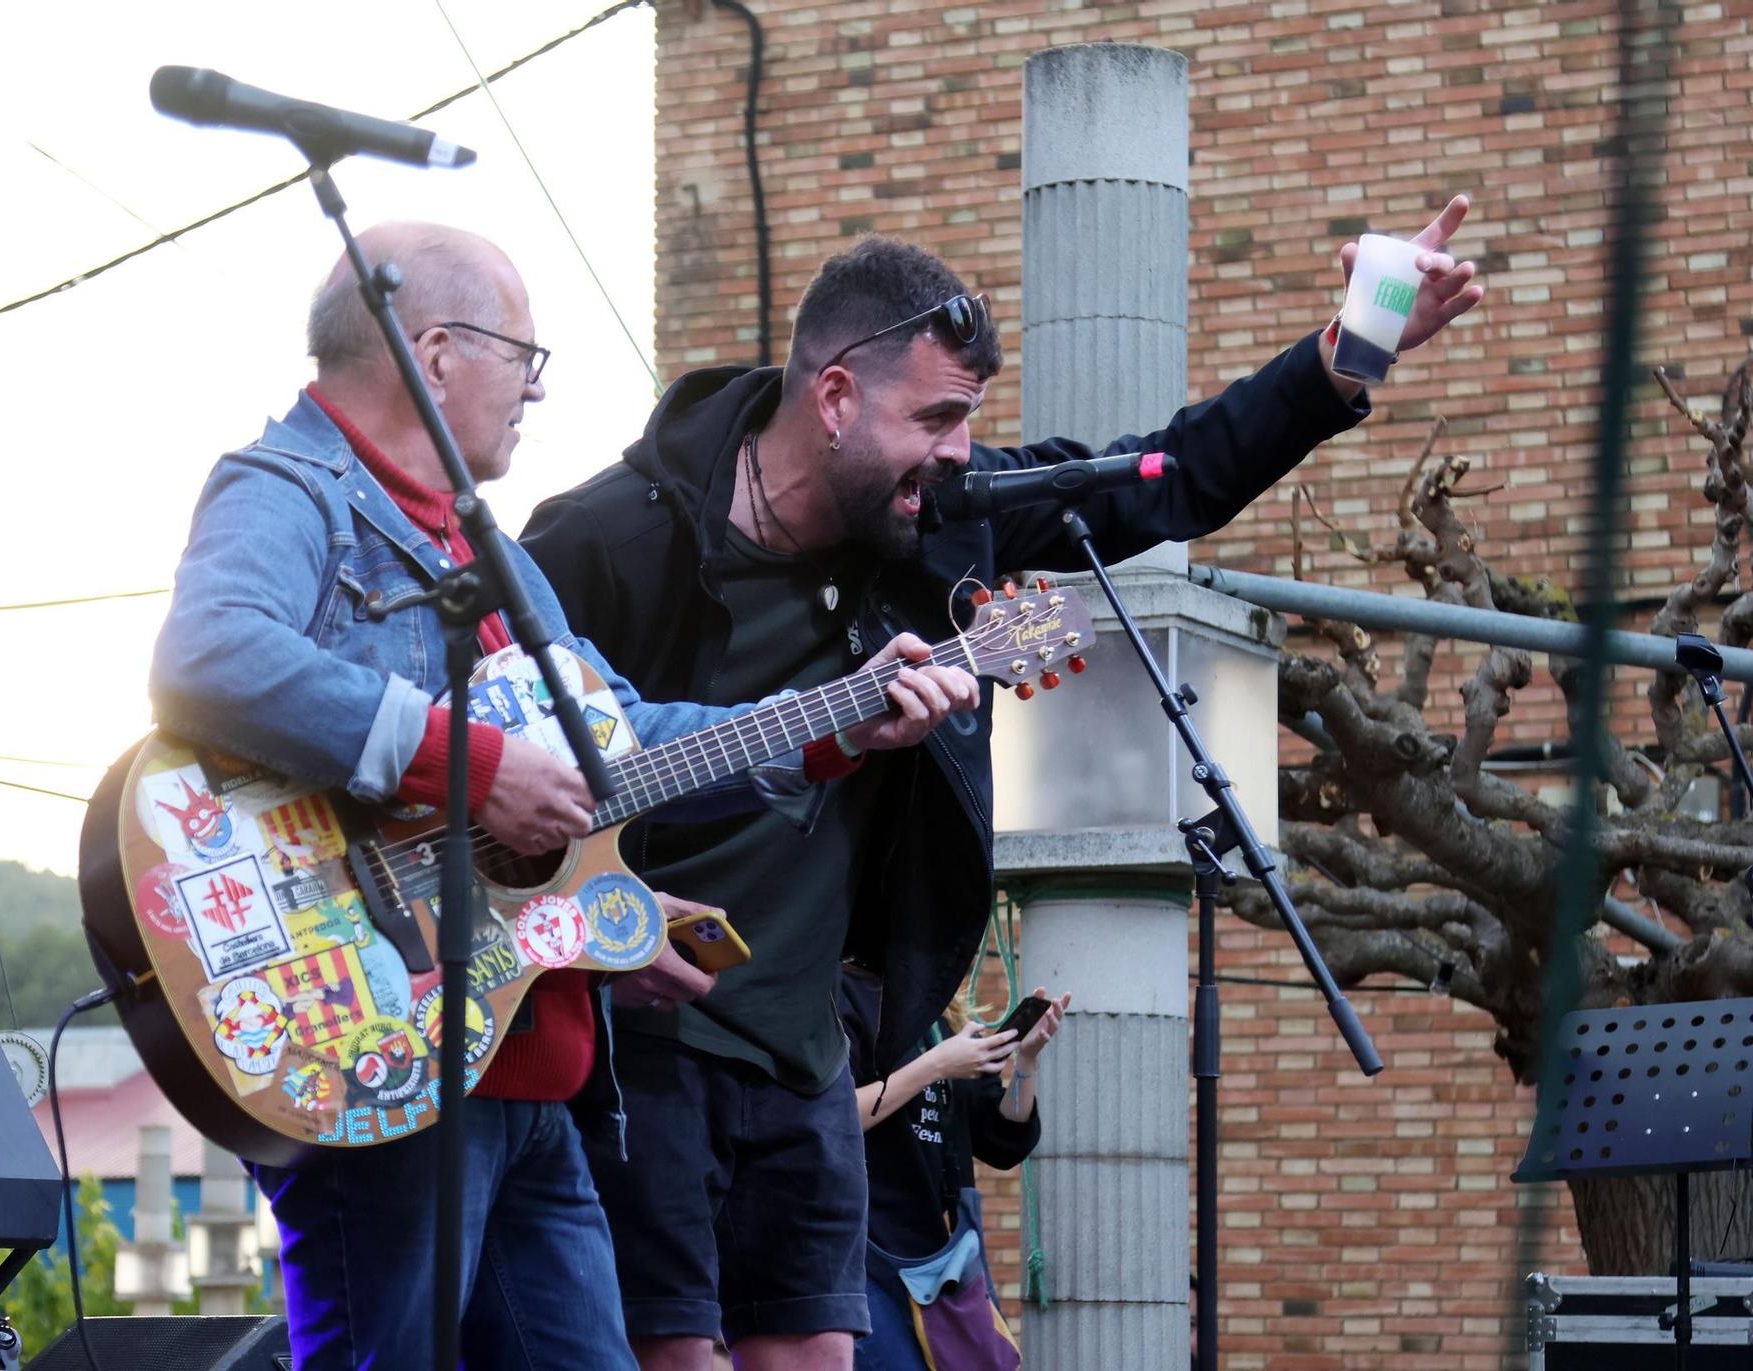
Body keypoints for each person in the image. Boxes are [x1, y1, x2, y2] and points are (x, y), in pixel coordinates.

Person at [519, 198, 1483, 1370]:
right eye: (934, 416)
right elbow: (509, 783)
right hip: (643, 1038)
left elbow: (1156, 479)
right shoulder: (609, 541)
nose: (957, 452)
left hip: (810, 1041)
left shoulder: (937, 520)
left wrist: (1349, 350)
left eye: (967, 419)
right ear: (831, 398)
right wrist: (580, 931)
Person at [148, 221, 978, 1370]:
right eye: (521, 356)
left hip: (530, 1080)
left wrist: (836, 721)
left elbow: (617, 741)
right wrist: (473, 768)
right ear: (434, 353)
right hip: (378, 1044)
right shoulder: (291, 488)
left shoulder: (486, 548)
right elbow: (208, 655)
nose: (534, 389)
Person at [836, 968, 1070, 1371]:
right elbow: (836, 1114)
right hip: (864, 1249)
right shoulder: (841, 991)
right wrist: (937, 1065)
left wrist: (1026, 1061)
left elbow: (999, 1141)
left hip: (939, 1254)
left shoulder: (942, 1015)